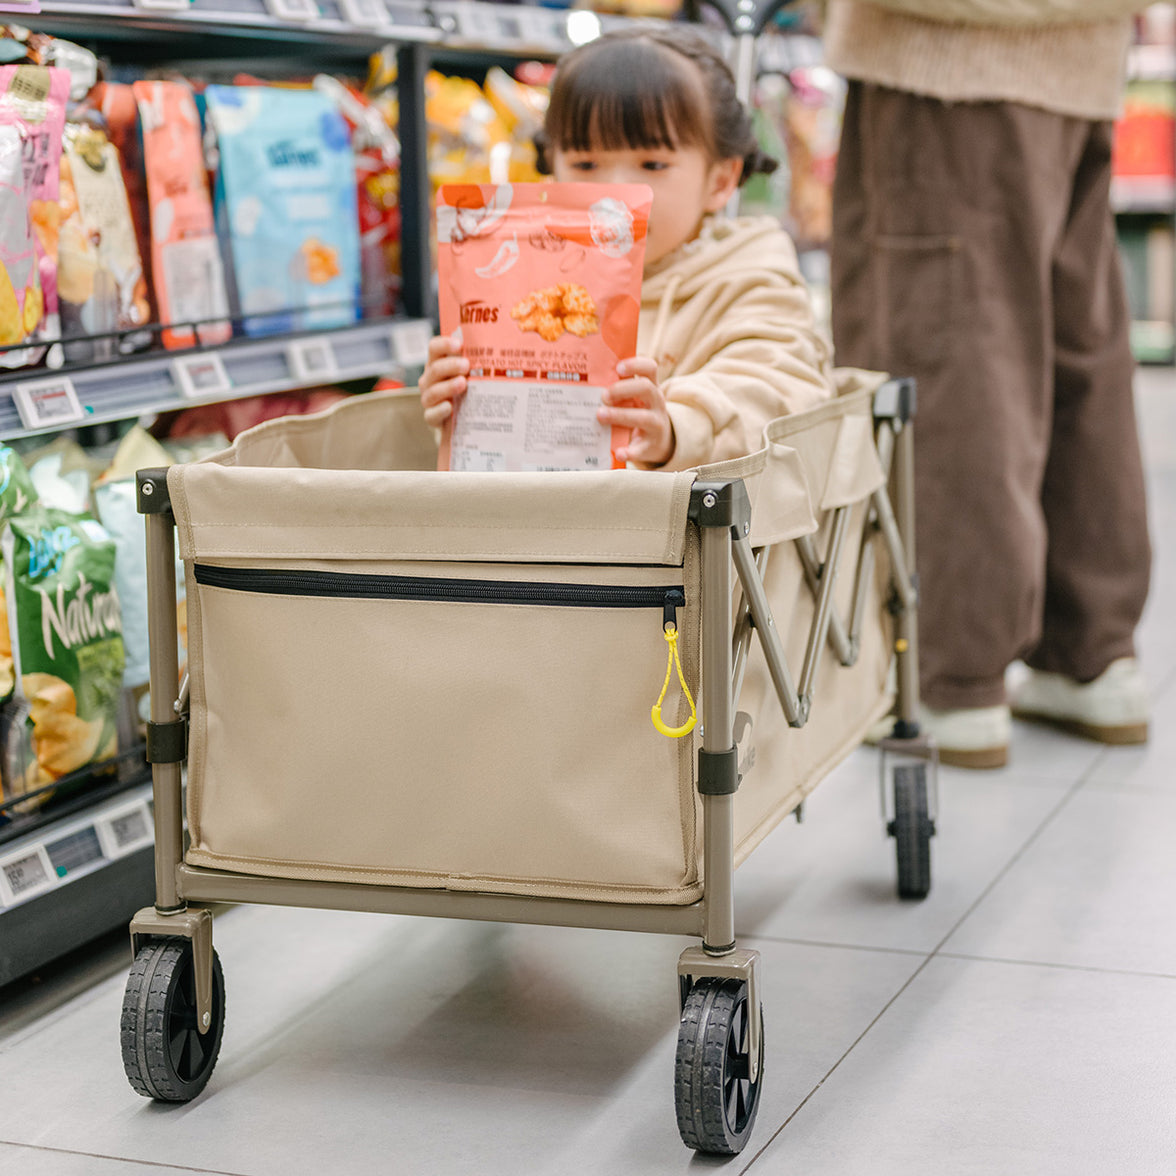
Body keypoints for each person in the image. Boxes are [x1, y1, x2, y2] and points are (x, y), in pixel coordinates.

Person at [825, 0, 1153, 768]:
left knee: (951, 363)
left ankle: (954, 672)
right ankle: (1089, 652)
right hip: (1078, 68)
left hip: (951, 63)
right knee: (1077, 357)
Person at [419, 24, 835, 470]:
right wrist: (463, 401)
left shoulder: (749, 279)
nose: (614, 194)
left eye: (652, 164)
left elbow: (775, 393)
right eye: (586, 164)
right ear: (551, 167)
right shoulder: (529, 278)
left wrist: (675, 430)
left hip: (701, 535)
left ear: (720, 181)